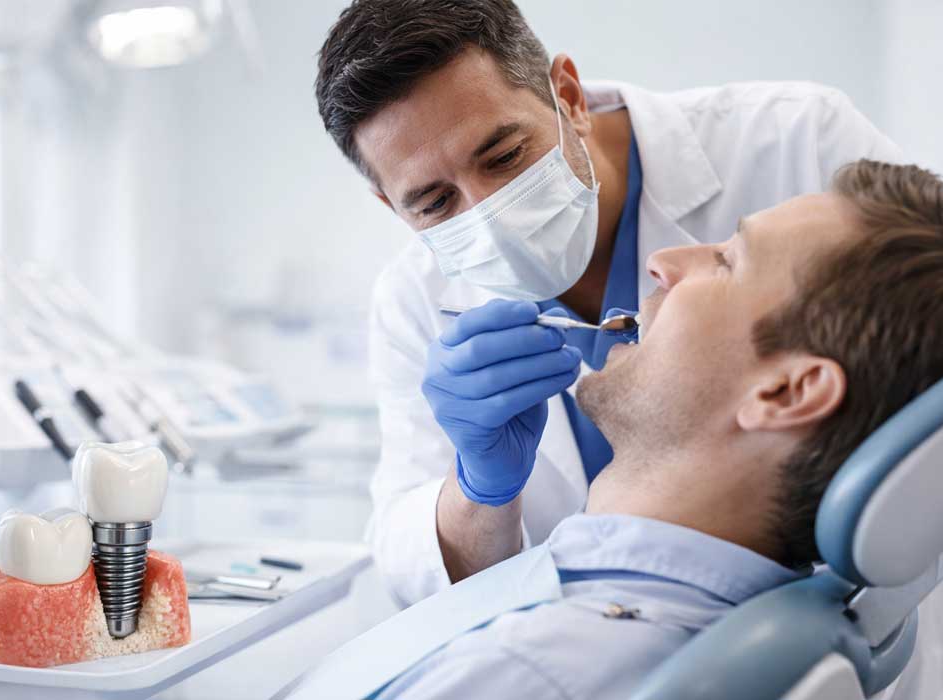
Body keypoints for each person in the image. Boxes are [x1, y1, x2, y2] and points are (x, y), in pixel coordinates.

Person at [314, 0, 901, 605]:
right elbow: (414, 572)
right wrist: (478, 489)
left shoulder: (797, 140)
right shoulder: (414, 300)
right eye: (434, 203)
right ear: (392, 206)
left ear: (568, 97)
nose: (490, 218)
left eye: (505, 156)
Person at [288, 160, 943, 699]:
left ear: (787, 390)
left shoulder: (535, 673)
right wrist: (476, 488)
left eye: (726, 261)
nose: (663, 261)